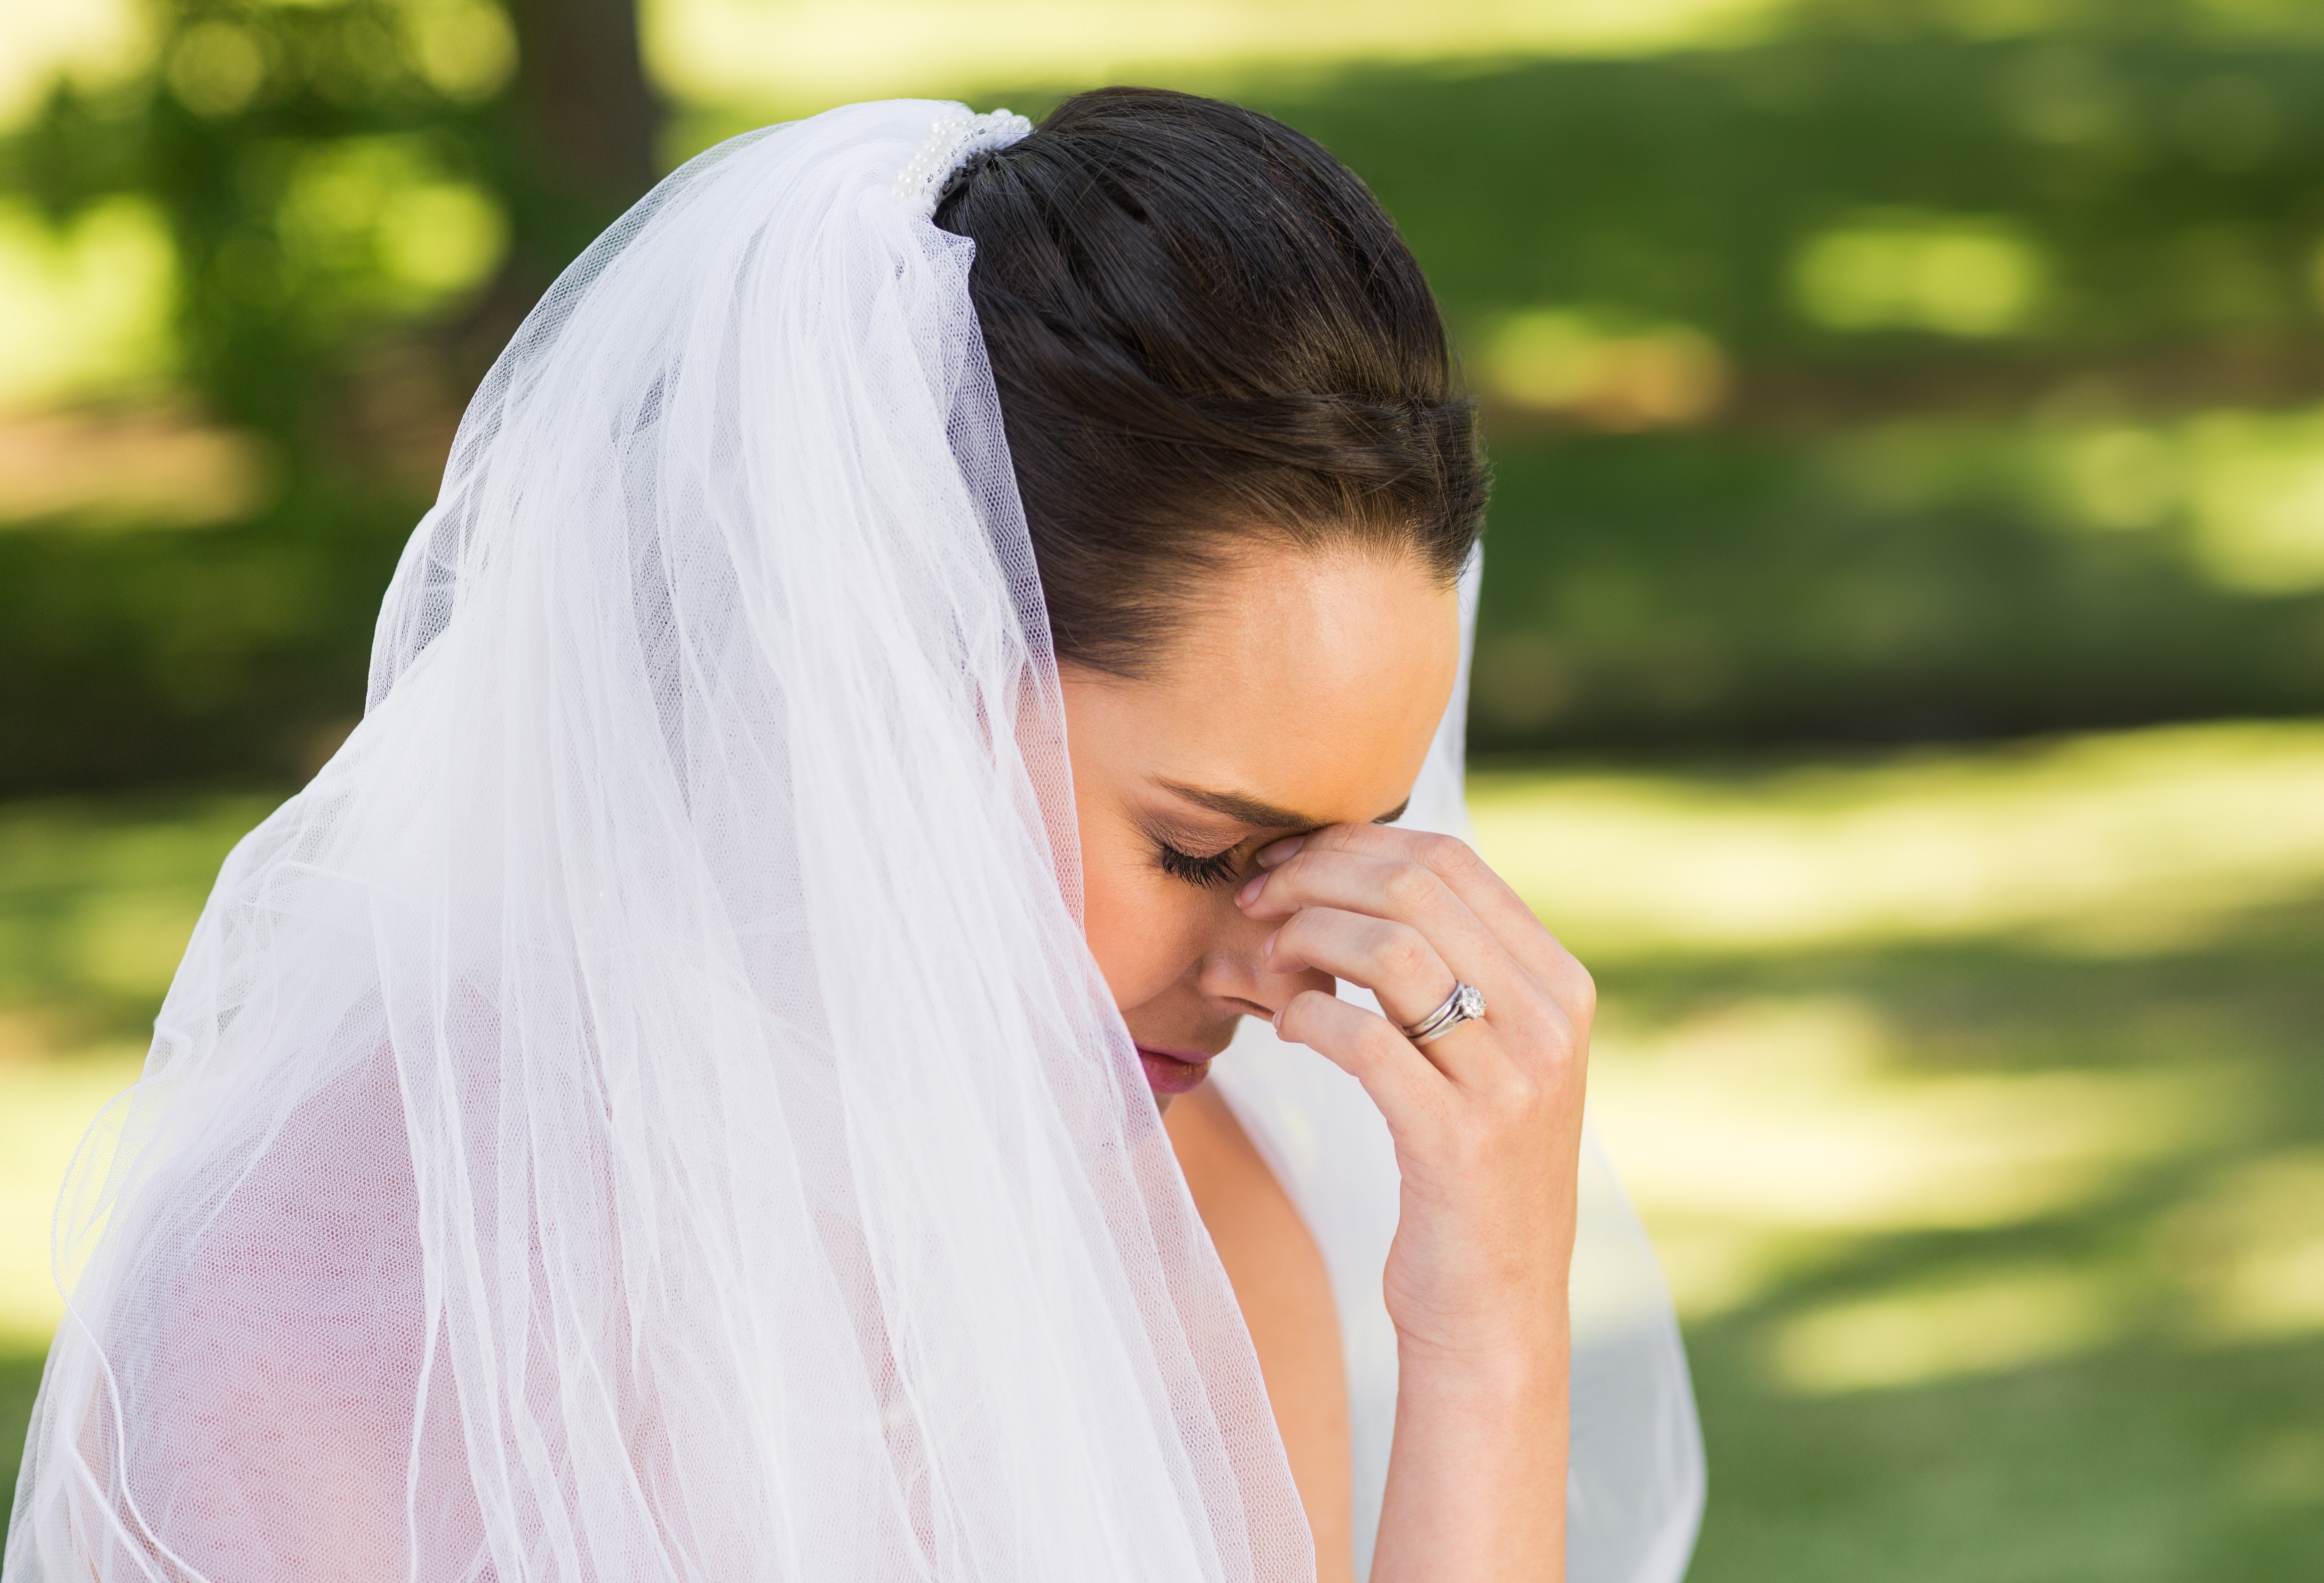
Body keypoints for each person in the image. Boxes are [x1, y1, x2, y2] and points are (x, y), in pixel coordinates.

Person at [5, 91, 1700, 1583]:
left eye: (1355, 851)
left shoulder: (1202, 1237)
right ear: (875, 674)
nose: (1280, 969)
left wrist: (1486, 1330)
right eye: (1200, 850)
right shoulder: (310, 1306)